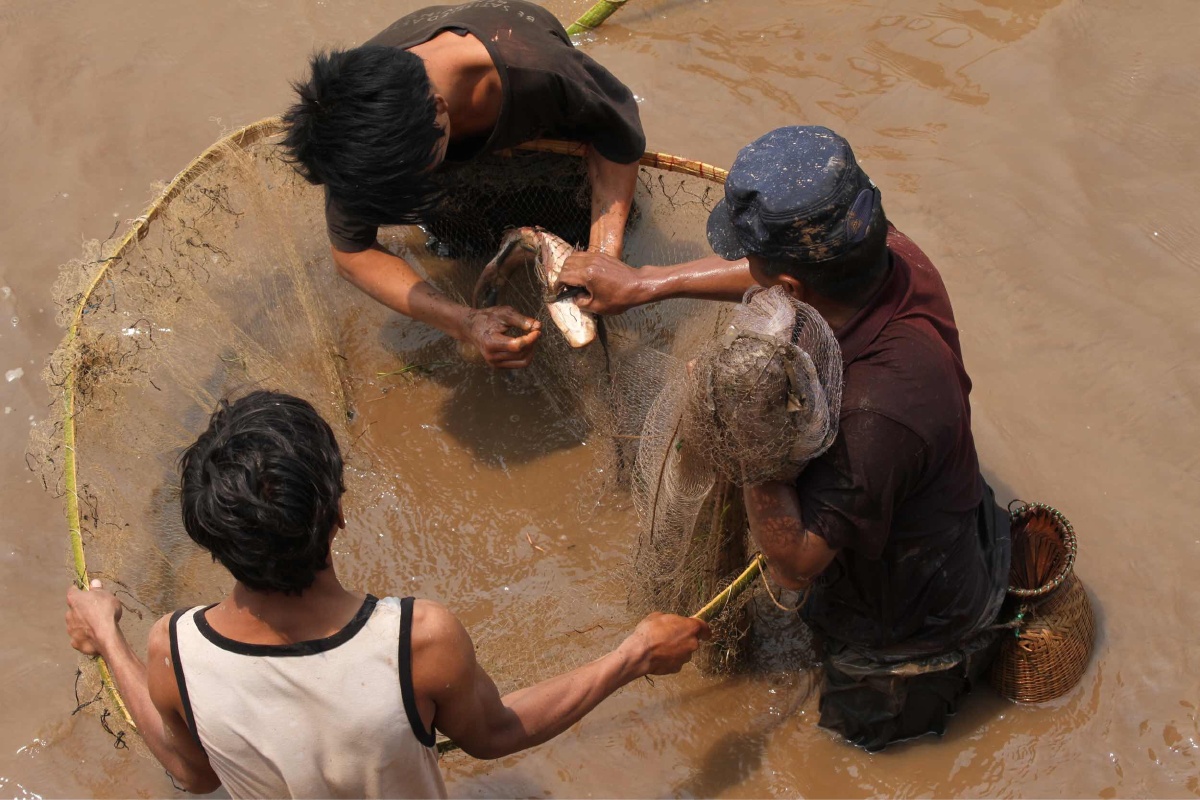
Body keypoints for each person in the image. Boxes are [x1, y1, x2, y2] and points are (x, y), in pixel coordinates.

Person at [559, 126, 1011, 751]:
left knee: (860, 755)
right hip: (930, 515)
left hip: (909, 630)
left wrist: (747, 435)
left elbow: (794, 566)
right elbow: (768, 278)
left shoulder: (879, 408)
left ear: (791, 289)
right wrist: (649, 281)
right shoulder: (884, 252)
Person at [65, 391, 708, 796]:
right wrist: (634, 656)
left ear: (211, 538)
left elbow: (193, 773)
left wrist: (109, 640)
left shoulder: (173, 649)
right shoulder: (416, 639)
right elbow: (494, 732)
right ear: (338, 515)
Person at [281, 1, 646, 370]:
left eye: (420, 172)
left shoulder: (542, 72)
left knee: (587, 219)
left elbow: (616, 137)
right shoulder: (349, 126)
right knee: (461, 242)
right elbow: (352, 253)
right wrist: (465, 322)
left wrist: (603, 257)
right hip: (440, 137)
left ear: (440, 109)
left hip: (539, 123)